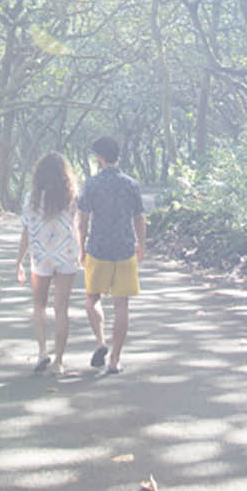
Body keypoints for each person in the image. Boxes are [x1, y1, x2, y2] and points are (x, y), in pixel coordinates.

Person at [76, 135, 145, 375]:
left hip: (98, 249)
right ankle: (115, 360)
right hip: (125, 249)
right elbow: (139, 217)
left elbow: (82, 221)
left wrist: (81, 248)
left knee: (92, 298)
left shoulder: (91, 184)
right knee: (121, 305)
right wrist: (141, 245)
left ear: (101, 157)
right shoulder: (131, 184)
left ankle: (101, 342)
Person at [16, 151, 81, 374]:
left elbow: (26, 231)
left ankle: (43, 351)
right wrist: (81, 253)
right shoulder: (72, 197)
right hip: (67, 255)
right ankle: (59, 362)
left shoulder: (30, 199)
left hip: (40, 256)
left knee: (39, 306)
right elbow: (78, 228)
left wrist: (19, 262)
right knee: (61, 308)